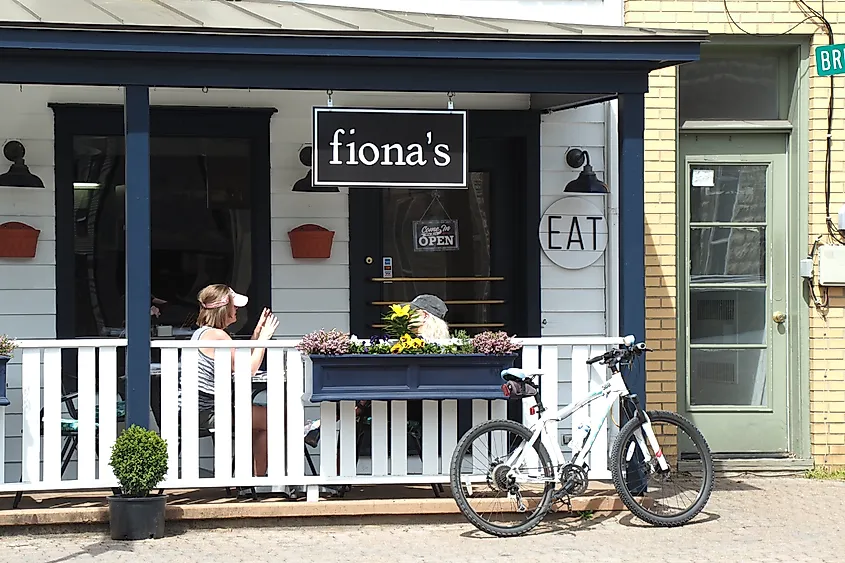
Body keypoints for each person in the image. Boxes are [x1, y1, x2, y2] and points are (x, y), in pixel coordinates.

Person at [192, 284, 279, 478]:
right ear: (224, 309)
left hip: (203, 409)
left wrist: (256, 334)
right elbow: (249, 370)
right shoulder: (218, 336)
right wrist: (264, 340)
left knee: (265, 423)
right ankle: (255, 480)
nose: (237, 309)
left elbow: (240, 361)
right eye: (234, 305)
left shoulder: (204, 332)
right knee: (275, 418)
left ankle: (252, 480)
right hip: (206, 412)